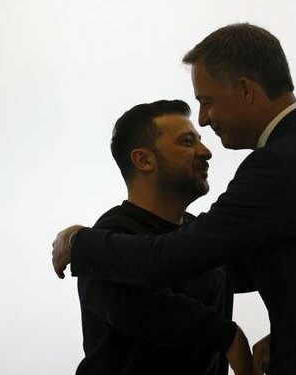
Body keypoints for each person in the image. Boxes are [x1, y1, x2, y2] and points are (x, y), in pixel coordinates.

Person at [53, 23, 296, 374]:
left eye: (208, 101)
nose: (204, 124)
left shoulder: (277, 165)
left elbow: (174, 259)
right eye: (187, 140)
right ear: (143, 160)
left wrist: (78, 242)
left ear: (246, 90)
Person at [74, 99, 256, 375]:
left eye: (200, 141)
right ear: (144, 160)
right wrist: (227, 336)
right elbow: (151, 314)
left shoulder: (202, 235)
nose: (205, 152)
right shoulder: (107, 241)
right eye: (187, 142)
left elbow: (269, 271)